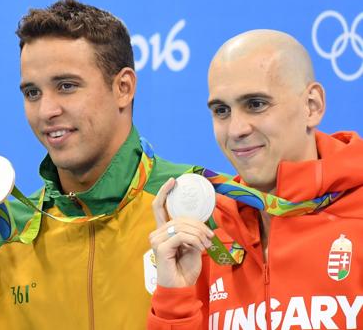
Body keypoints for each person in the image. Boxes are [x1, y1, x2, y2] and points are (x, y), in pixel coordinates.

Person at [0, 0, 189, 329]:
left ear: (123, 88)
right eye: (32, 93)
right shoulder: (1, 233)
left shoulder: (195, 208)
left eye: (66, 86)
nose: (46, 111)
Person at [147, 29, 363, 329]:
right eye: (222, 110)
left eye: (256, 104)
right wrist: (175, 296)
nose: (235, 129)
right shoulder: (211, 231)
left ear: (312, 106)